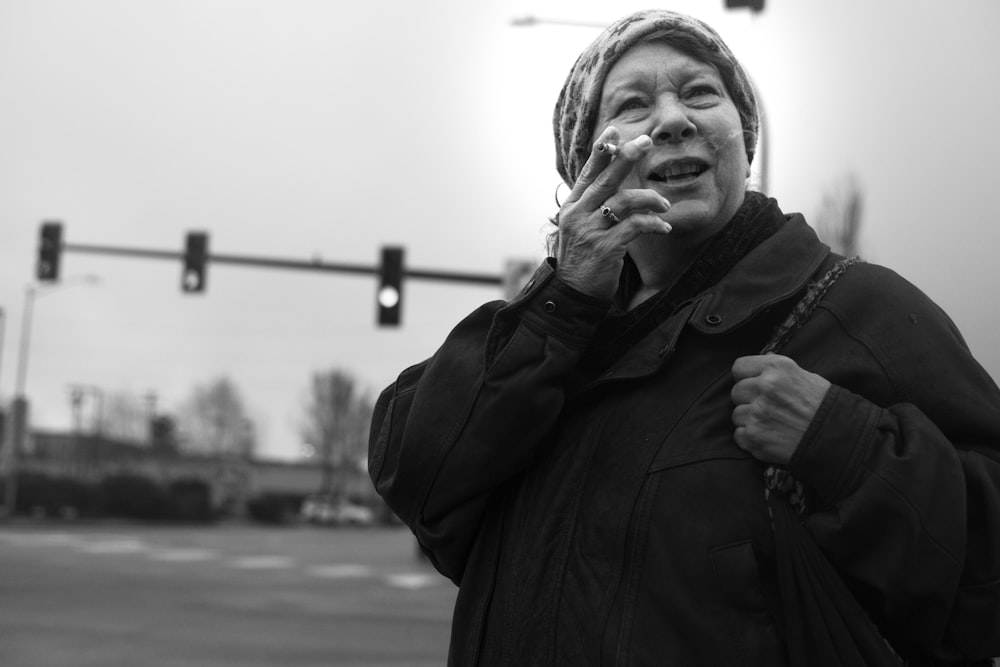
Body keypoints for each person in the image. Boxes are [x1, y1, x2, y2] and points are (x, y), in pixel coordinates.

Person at [368, 9, 1000, 666]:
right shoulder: (552, 339)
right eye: (634, 104)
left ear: (742, 137)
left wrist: (842, 444)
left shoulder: (859, 309)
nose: (673, 119)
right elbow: (418, 475)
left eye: (700, 92)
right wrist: (561, 300)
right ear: (586, 167)